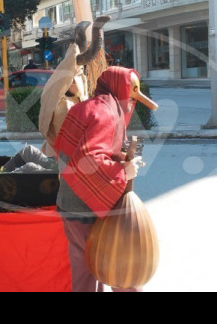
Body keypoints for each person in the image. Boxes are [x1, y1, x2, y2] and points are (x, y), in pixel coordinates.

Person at [53, 66, 155, 292]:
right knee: (123, 271)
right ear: (119, 88)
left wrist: (122, 160)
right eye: (132, 91)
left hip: (69, 206)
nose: (133, 98)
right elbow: (88, 160)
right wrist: (123, 172)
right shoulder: (107, 112)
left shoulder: (85, 107)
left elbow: (64, 149)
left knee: (85, 274)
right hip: (87, 211)